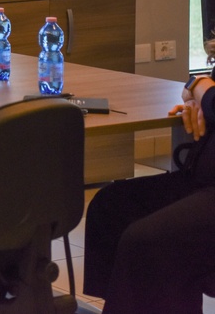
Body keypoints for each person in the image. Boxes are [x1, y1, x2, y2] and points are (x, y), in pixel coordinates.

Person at [82, 58, 215, 313]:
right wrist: (195, 101)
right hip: (201, 179)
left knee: (146, 240)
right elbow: (200, 93)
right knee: (110, 206)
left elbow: (205, 89)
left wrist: (200, 84)